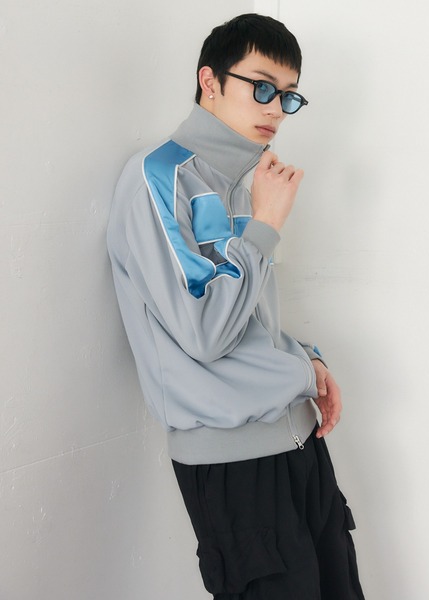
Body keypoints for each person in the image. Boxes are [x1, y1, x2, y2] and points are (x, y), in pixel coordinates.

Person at [107, 13, 365, 600]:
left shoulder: (247, 181)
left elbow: (250, 319)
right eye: (262, 87)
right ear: (210, 80)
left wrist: (305, 360)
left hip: (301, 444)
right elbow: (204, 334)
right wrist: (266, 225)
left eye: (289, 95)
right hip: (233, 463)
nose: (276, 109)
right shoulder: (159, 179)